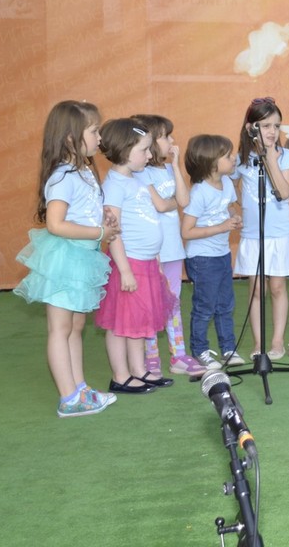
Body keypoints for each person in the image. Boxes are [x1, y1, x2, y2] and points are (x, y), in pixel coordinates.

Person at [14, 100, 119, 418]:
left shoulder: (84, 171)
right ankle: (68, 397)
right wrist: (99, 232)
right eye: (94, 131)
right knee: (60, 328)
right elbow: (56, 224)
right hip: (65, 260)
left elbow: (80, 211)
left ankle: (79, 388)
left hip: (82, 258)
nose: (100, 138)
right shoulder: (62, 176)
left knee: (75, 326)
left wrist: (102, 216)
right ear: (72, 138)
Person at [96, 119, 177, 395]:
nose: (150, 155)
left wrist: (156, 260)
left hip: (146, 262)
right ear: (125, 150)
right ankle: (120, 376)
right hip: (128, 264)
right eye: (144, 150)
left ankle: (139, 369)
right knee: (120, 323)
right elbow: (113, 232)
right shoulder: (114, 185)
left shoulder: (137, 178)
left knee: (138, 320)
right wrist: (125, 271)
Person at [132, 113, 207, 378]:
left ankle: (179, 355)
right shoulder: (139, 173)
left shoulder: (166, 170)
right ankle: (151, 358)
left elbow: (184, 200)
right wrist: (174, 201)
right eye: (166, 137)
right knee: (151, 303)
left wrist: (175, 166)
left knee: (173, 302)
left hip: (173, 250)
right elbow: (163, 205)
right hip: (150, 253)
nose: (172, 141)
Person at [232, 98, 289, 360]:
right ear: (251, 127)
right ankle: (258, 343)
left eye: (277, 126)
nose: (272, 131)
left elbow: (283, 192)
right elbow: (227, 186)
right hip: (253, 235)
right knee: (257, 289)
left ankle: (277, 340)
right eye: (266, 125)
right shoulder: (241, 159)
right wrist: (235, 208)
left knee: (278, 287)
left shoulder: (285, 156)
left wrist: (270, 158)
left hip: (279, 234)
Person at [182, 134, 244, 370]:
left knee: (225, 304)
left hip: (222, 254)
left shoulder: (227, 182)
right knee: (205, 307)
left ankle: (228, 348)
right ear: (211, 163)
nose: (234, 158)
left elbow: (228, 207)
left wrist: (234, 218)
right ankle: (200, 350)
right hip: (202, 259)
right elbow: (187, 231)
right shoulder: (199, 192)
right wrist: (221, 227)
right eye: (227, 156)